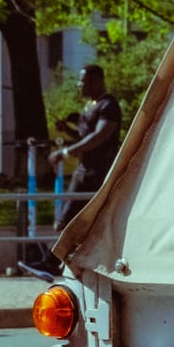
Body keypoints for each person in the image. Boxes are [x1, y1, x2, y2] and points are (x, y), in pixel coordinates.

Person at [52, 65, 121, 229]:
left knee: (66, 224)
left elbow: (99, 136)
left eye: (82, 81)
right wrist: (67, 129)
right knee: (67, 224)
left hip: (99, 173)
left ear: (96, 81)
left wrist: (66, 152)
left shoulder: (108, 105)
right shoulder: (90, 105)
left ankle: (58, 254)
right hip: (84, 171)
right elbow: (85, 138)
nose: (78, 85)